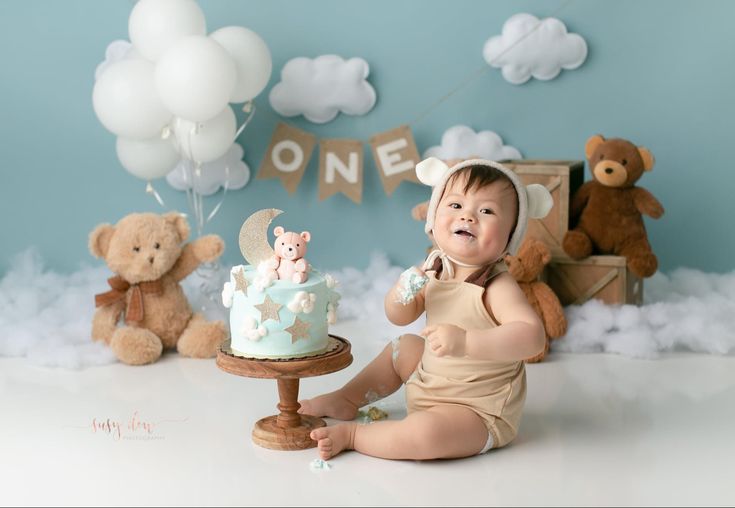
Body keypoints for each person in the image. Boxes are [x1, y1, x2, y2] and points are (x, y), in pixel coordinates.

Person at [299, 157, 553, 460]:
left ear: (510, 236)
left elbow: (532, 337)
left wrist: (467, 342)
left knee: (425, 435)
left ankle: (355, 436)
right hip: (429, 380)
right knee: (403, 346)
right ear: (433, 219)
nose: (468, 216)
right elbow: (398, 317)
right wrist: (401, 292)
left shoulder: (495, 286)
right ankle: (346, 398)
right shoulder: (434, 268)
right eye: (456, 206)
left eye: (486, 211)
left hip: (475, 410)